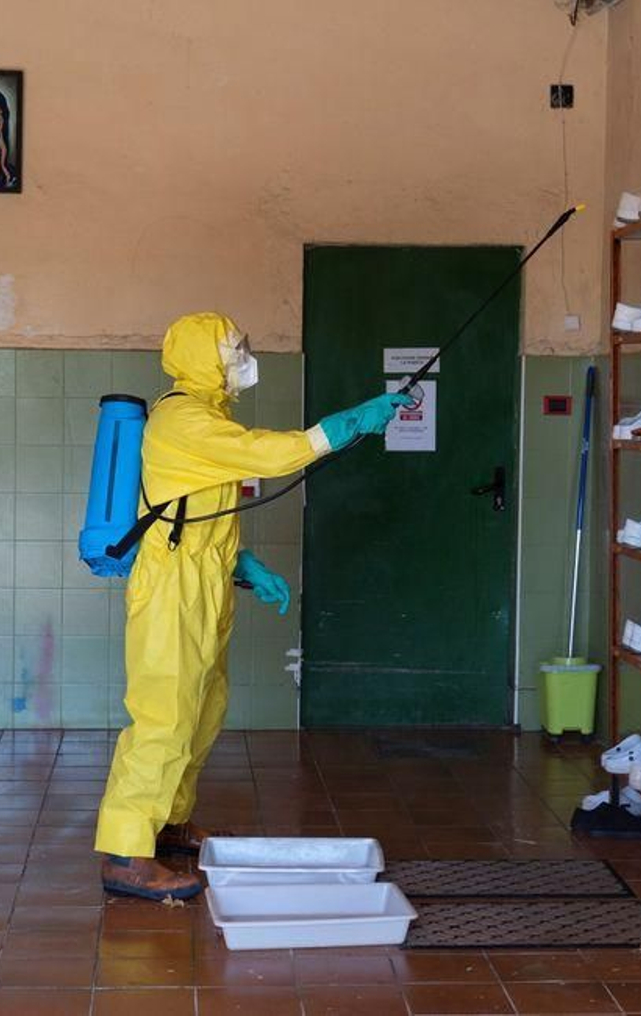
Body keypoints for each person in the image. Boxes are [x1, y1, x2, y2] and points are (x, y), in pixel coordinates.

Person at [96, 311, 414, 900]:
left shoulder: (207, 417)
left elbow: (190, 512)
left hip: (205, 579)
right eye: (232, 348)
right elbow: (269, 456)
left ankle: (166, 823)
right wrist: (344, 426)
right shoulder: (183, 419)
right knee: (164, 712)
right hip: (172, 589)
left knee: (203, 707)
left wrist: (242, 565)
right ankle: (124, 852)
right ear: (203, 357)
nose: (243, 356)